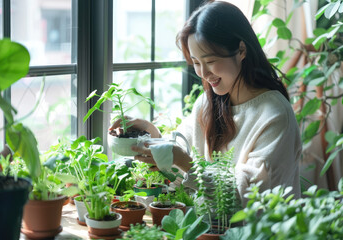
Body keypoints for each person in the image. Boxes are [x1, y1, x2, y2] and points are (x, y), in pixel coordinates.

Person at [109, 1, 301, 206]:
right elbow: (179, 162)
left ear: (241, 50)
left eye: (209, 61)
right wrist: (152, 135)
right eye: (196, 63)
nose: (203, 73)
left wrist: (184, 162)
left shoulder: (275, 116)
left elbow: (247, 199)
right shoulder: (208, 103)